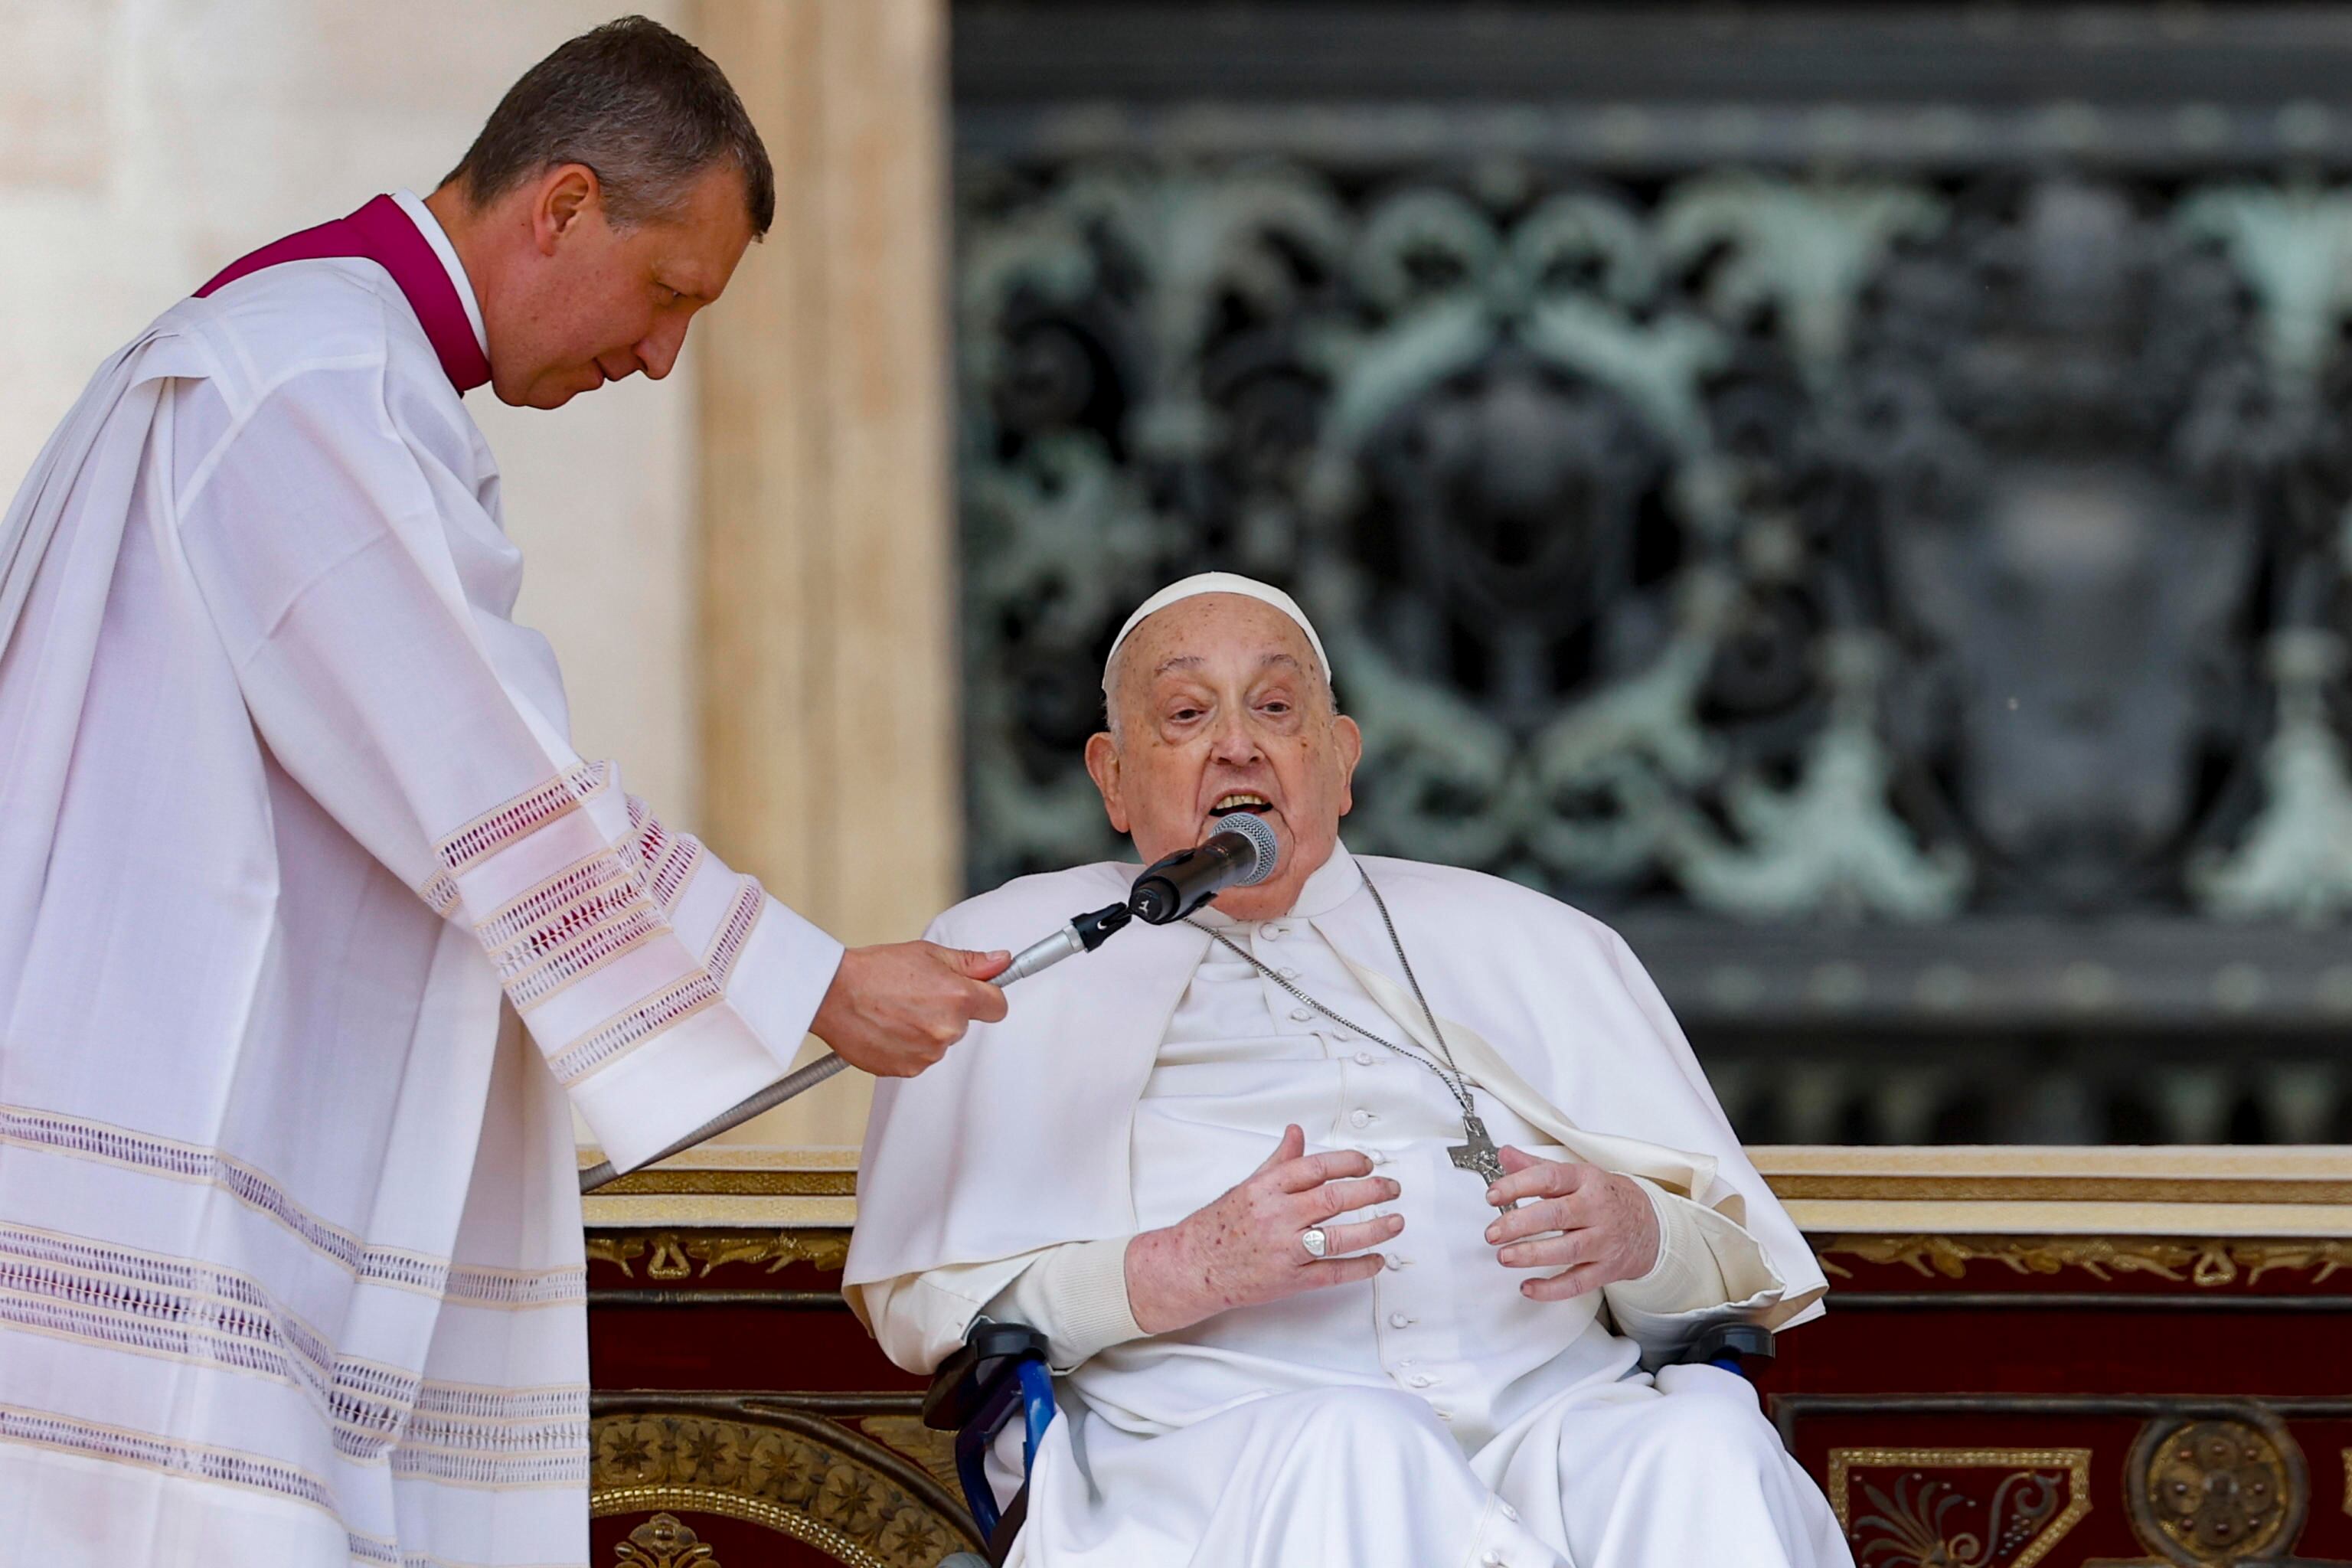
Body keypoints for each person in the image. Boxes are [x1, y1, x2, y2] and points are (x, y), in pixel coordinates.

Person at [0, 18, 1006, 1565]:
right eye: (668, 293)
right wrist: (816, 980)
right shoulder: (310, 382)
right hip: (181, 1159)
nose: (665, 354)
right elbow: (485, 778)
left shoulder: (317, 358)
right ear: (562, 206)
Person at [847, 573, 1852, 1567]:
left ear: (1341, 760)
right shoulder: (1016, 954)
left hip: (1550, 1429)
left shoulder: (1536, 942)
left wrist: (1639, 1233)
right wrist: (1183, 1266)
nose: (1237, 743)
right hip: (1211, 1455)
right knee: (1362, 1445)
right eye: (1188, 712)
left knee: (1703, 1446)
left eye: (1277, 707)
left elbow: (1727, 1279)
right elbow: (934, 1309)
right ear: (1111, 777)